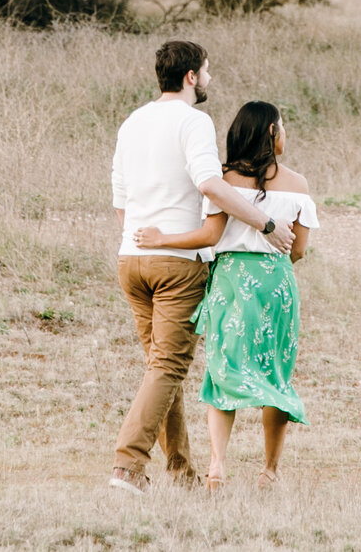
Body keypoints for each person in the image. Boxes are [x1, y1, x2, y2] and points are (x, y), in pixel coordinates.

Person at [108, 41, 294, 496]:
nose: (209, 78)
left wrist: (140, 240)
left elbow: (120, 199)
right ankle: (128, 466)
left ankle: (181, 472)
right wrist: (266, 223)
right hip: (178, 264)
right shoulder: (194, 121)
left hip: (132, 258)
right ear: (191, 76)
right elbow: (210, 184)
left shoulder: (132, 122)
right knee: (168, 367)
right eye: (206, 71)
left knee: (159, 367)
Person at [135, 100, 317, 490]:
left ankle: (217, 466)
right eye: (282, 127)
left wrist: (161, 239)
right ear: (271, 132)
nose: (285, 134)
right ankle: (269, 470)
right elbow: (299, 249)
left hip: (231, 282)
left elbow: (208, 236)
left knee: (223, 373)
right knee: (276, 374)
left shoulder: (225, 180)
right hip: (276, 284)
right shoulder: (298, 185)